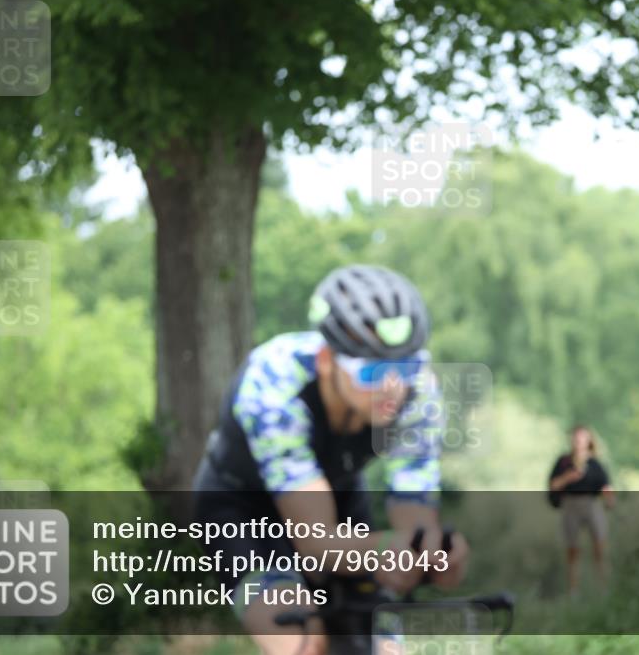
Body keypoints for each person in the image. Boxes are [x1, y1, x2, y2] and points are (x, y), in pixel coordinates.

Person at [193, 264, 469, 655]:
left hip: (338, 494)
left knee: (388, 647)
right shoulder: (273, 383)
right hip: (242, 510)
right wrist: (384, 550)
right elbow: (315, 541)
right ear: (326, 360)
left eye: (406, 367)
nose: (392, 386)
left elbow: (415, 524)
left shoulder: (419, 391)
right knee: (302, 643)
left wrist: (431, 556)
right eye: (371, 371)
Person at [548, 425, 614, 596]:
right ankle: (573, 591)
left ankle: (603, 588)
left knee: (599, 546)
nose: (578, 441)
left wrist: (609, 499)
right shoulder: (564, 462)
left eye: (581, 438)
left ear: (588, 440)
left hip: (591, 504)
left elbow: (605, 485)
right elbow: (553, 485)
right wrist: (568, 477)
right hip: (570, 504)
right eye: (575, 438)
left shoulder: (595, 463)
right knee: (572, 550)